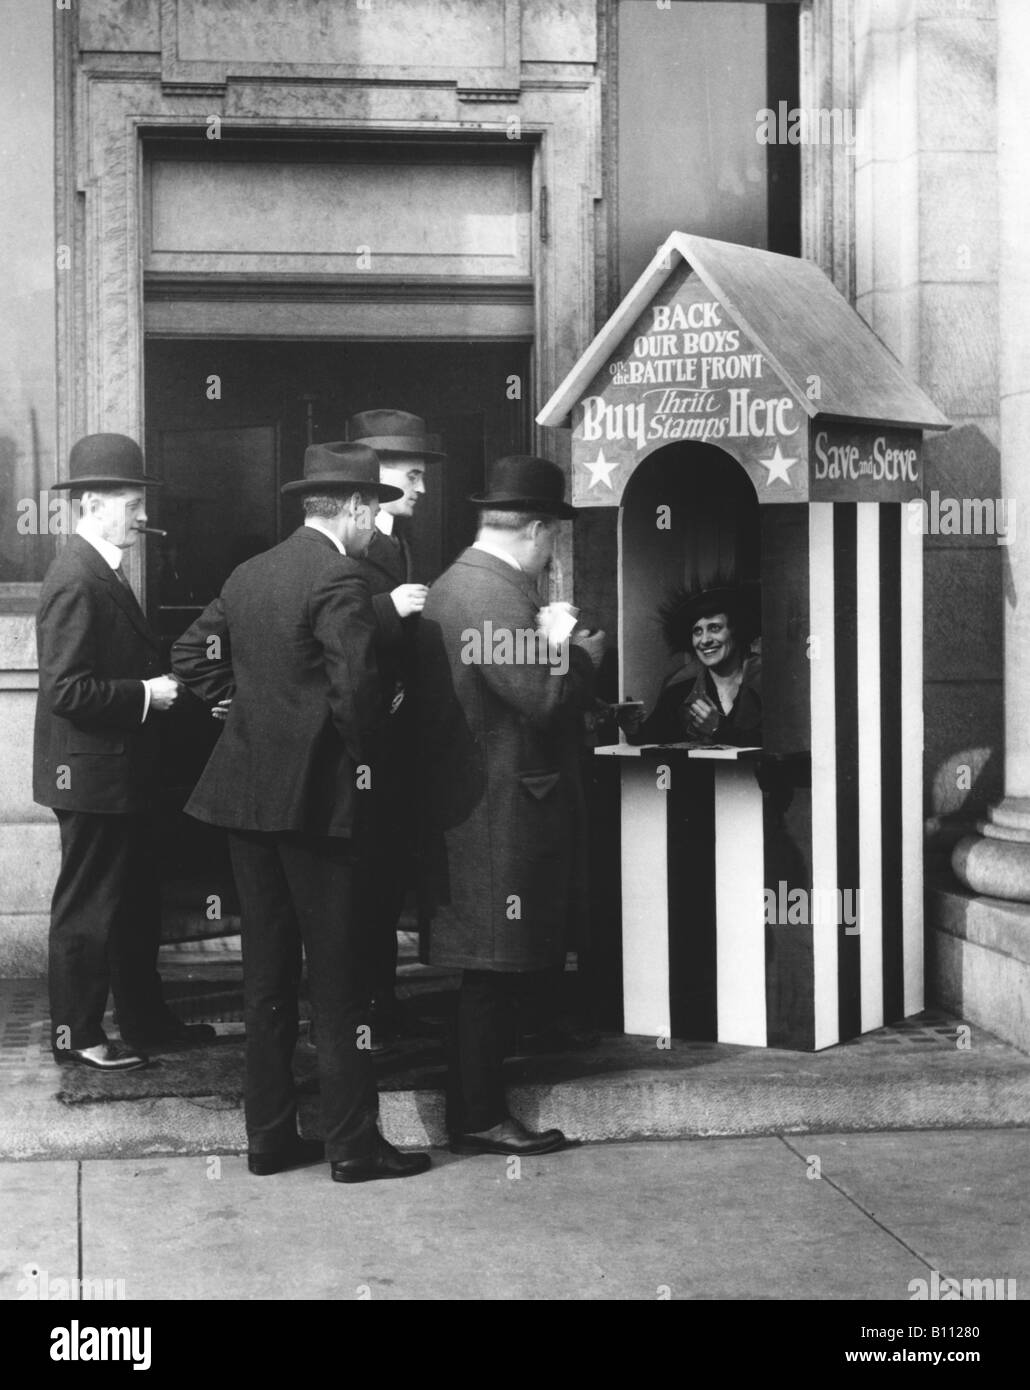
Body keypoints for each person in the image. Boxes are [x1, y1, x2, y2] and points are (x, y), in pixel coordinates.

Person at [170, 442, 431, 1184]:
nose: (376, 526)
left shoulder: (250, 573)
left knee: (268, 977)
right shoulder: (340, 576)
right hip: (319, 808)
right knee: (341, 978)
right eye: (373, 512)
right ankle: (353, 1146)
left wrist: (242, 706)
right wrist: (368, 760)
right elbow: (356, 695)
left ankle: (269, 1140)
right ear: (351, 507)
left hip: (244, 800)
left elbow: (191, 653)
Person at [418, 455, 604, 1156]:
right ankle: (479, 1113)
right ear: (535, 529)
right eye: (554, 535)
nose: (554, 550)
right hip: (498, 815)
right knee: (491, 971)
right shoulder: (490, 594)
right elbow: (543, 698)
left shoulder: (463, 584)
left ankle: (479, 1106)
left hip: (479, 809)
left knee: (488, 968)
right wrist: (577, 651)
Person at [33, 432, 215, 1072]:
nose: (143, 514)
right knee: (88, 909)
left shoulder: (98, 571)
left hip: (112, 775)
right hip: (92, 778)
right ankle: (78, 1038)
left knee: (134, 901)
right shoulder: (78, 578)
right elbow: (66, 690)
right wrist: (146, 694)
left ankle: (146, 1023)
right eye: (133, 500)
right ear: (92, 502)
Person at [345, 410, 444, 1047]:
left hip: (393, 740)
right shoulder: (347, 542)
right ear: (377, 476)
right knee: (363, 880)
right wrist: (388, 608)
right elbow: (327, 622)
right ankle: (366, 1010)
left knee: (383, 878)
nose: (423, 487)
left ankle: (382, 1001)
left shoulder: (397, 539)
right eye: (412, 474)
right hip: (362, 743)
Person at [624, 582, 762, 747]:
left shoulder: (768, 684)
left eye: (715, 628)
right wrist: (633, 728)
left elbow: (782, 745)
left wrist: (719, 730)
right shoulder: (680, 688)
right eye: (697, 631)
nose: (705, 640)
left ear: (737, 631)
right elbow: (652, 737)